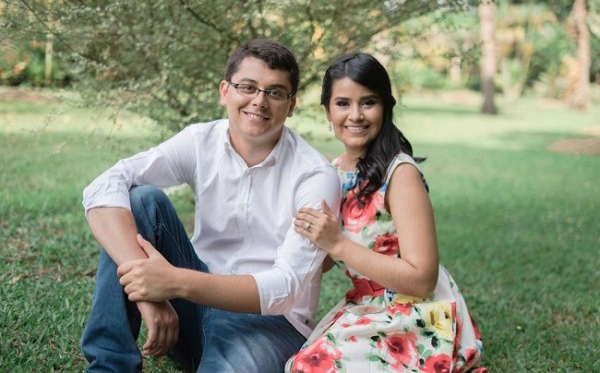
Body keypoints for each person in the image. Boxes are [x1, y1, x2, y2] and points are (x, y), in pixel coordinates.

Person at [80, 39, 341, 373]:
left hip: (268, 326)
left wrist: (172, 282)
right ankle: (109, 367)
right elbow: (104, 185)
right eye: (247, 86)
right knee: (140, 200)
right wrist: (149, 292)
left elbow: (285, 289)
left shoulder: (315, 176)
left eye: (275, 92)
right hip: (189, 309)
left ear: (291, 105)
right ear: (224, 91)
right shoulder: (200, 141)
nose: (259, 101)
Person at [285, 53, 487, 373]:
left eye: (368, 102)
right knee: (301, 365)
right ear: (327, 110)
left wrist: (336, 243)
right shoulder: (333, 173)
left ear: (385, 107)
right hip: (365, 303)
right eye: (342, 103)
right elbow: (322, 262)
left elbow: (422, 279)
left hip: (416, 308)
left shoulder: (399, 173)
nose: (356, 115)